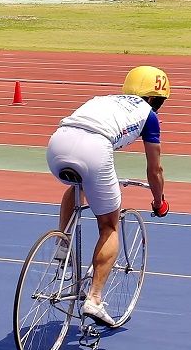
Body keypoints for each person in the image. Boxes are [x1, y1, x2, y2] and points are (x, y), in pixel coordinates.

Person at [45, 65, 170, 326]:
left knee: (77, 186)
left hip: (57, 143)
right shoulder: (148, 115)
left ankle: (62, 246)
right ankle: (94, 299)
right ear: (153, 99)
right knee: (109, 226)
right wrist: (159, 201)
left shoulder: (103, 100)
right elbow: (154, 169)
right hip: (94, 149)